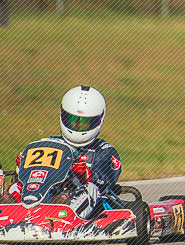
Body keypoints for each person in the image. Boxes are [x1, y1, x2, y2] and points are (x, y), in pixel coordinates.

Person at [12, 85, 122, 219]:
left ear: (98, 120)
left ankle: (66, 217)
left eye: (84, 122)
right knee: (16, 186)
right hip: (43, 198)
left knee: (91, 188)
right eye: (72, 120)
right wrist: (23, 165)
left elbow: (104, 183)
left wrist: (86, 175)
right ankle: (5, 215)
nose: (77, 126)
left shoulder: (104, 151)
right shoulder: (48, 144)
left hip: (84, 210)